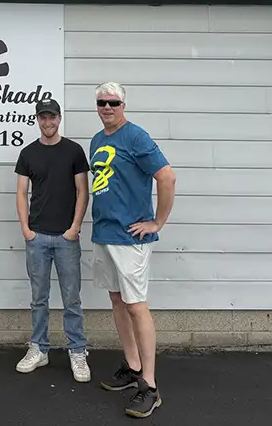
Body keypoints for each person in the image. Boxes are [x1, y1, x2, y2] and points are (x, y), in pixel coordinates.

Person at [89, 82, 176, 418]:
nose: (107, 107)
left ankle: (150, 386)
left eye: (113, 102)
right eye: (102, 102)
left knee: (136, 305)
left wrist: (157, 222)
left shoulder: (136, 137)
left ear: (123, 105)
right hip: (104, 233)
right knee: (116, 299)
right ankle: (133, 365)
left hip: (129, 237)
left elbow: (167, 178)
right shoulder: (97, 140)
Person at [13, 97, 91, 382]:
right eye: (43, 117)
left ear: (59, 118)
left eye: (52, 117)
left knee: (72, 298)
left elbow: (83, 191)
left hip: (67, 238)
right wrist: (26, 229)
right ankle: (39, 348)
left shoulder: (73, 151)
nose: (48, 122)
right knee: (38, 299)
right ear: (38, 120)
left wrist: (75, 227)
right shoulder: (28, 153)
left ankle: (77, 350)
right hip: (37, 237)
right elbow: (21, 192)